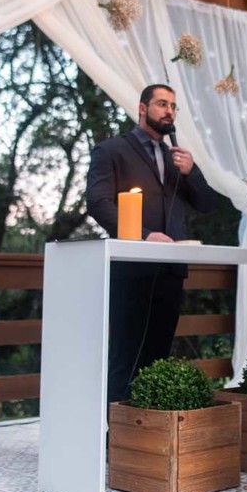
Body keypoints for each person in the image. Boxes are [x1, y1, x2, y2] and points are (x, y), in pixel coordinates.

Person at [86, 84, 218, 405]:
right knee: (125, 355)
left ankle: (145, 436)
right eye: (162, 104)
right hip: (132, 268)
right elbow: (98, 203)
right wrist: (144, 236)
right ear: (142, 108)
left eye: (173, 106)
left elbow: (206, 203)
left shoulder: (178, 158)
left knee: (158, 355)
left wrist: (192, 172)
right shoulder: (112, 150)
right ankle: (114, 436)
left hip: (171, 271)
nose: (169, 111)